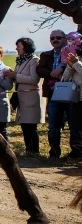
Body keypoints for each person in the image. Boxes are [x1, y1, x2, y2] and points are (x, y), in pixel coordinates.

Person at [36, 30, 74, 158]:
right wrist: (52, 73)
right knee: (53, 125)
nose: (55, 40)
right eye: (52, 38)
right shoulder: (46, 55)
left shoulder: (72, 52)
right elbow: (39, 70)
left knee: (74, 124)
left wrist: (61, 69)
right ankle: (54, 152)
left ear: (65, 39)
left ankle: (76, 152)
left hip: (71, 93)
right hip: (53, 94)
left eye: (58, 37)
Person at [4, 38, 42, 154]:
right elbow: (20, 79)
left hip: (30, 97)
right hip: (21, 97)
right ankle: (28, 150)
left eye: (18, 46)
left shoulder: (34, 60)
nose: (16, 48)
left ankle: (34, 151)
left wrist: (15, 75)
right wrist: (12, 75)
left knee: (31, 126)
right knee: (25, 125)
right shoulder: (20, 61)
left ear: (25, 46)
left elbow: (34, 79)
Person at [60, 49, 82, 159]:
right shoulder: (77, 61)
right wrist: (70, 65)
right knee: (75, 127)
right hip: (77, 99)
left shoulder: (77, 62)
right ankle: (76, 152)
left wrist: (76, 63)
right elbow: (65, 78)